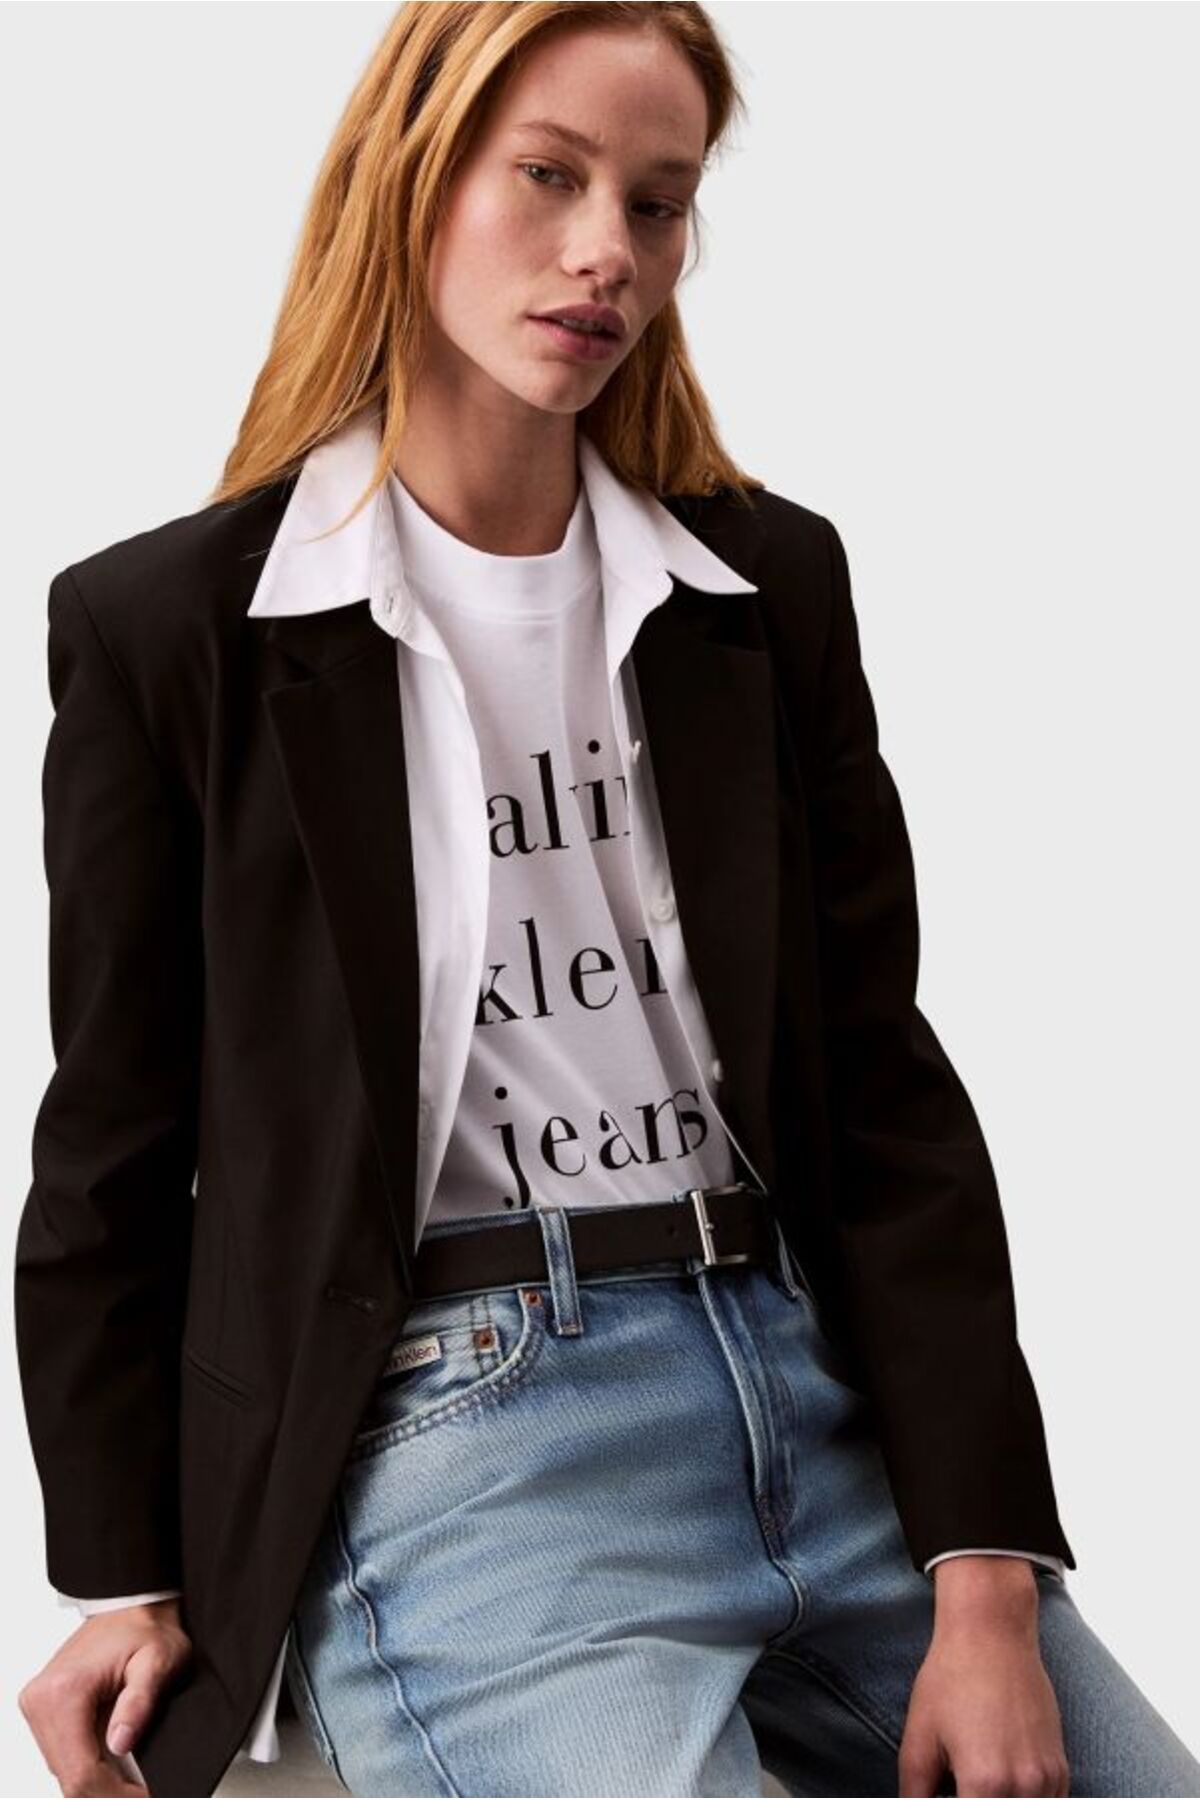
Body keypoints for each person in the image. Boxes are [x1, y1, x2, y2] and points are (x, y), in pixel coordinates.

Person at [13, 4, 1199, 1797]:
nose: (606, 254)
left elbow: (883, 1097)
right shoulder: (175, 632)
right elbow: (113, 1140)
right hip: (468, 1449)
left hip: (810, 1396)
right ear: (412, 176)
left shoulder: (760, 588)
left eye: (658, 202)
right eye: (549, 178)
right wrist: (121, 1571)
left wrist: (985, 1583)